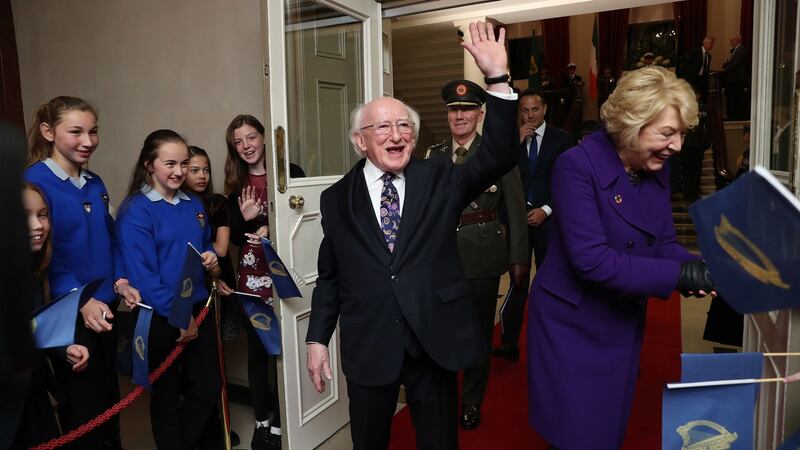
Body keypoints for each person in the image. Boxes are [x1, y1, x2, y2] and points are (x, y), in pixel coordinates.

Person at [305, 21, 518, 450]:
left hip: (432, 342)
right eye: (382, 128)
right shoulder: (335, 200)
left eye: (404, 126)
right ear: (360, 141)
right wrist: (316, 338)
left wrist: (496, 78)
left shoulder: (439, 177)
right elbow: (331, 275)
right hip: (369, 345)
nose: (396, 135)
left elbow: (497, 154)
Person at [527, 66, 716, 450]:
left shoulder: (655, 166)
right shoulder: (576, 165)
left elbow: (661, 241)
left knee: (608, 426)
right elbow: (592, 260)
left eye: (681, 134)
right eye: (667, 133)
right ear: (631, 126)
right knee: (577, 431)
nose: (677, 145)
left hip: (620, 319)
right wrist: (680, 276)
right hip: (571, 324)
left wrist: (700, 266)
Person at [24, 96, 140, 449]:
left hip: (104, 307)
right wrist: (82, 300)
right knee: (84, 411)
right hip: (70, 312)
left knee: (109, 402)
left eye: (93, 131)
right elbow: (46, 257)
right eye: (76, 131)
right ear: (48, 131)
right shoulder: (34, 182)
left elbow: (111, 237)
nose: (87, 141)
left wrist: (120, 281)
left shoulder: (95, 182)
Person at [424, 79, 528, 429]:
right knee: (443, 331)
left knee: (477, 333)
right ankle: (443, 396)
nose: (460, 116)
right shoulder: (433, 154)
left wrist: (519, 259)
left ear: (480, 114)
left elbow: (514, 209)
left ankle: (471, 400)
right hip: (440, 256)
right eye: (454, 110)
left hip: (482, 255)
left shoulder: (497, 151)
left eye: (467, 110)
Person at [116, 129, 221, 449]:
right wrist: (179, 318)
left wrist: (211, 257)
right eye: (170, 163)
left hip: (197, 309)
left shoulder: (194, 204)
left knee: (206, 386)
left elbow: (206, 246)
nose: (178, 172)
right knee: (166, 396)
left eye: (184, 164)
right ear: (149, 165)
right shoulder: (136, 209)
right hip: (161, 316)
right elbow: (144, 276)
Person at [494, 88, 575, 362]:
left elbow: (572, 183)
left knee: (550, 283)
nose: (530, 115)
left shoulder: (562, 140)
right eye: (525, 110)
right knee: (517, 283)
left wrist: (547, 209)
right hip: (517, 224)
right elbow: (497, 173)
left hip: (549, 223)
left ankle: (550, 343)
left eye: (535, 109)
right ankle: (509, 343)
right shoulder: (510, 140)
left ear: (545, 110)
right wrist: (515, 143)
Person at [13, 183, 90, 448]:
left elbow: (36, 326)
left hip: (33, 398)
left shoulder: (32, 271)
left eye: (42, 215)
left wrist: (65, 348)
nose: (37, 226)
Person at [224, 114, 282, 450]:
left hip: (283, 274)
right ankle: (262, 421)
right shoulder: (236, 183)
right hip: (251, 275)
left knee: (283, 349)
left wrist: (270, 226)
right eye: (238, 141)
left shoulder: (289, 173)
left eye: (251, 137)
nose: (246, 146)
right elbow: (232, 239)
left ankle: (283, 421)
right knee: (259, 351)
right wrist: (245, 219)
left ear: (265, 137)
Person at [182, 145, 241, 447]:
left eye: (206, 169)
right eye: (194, 169)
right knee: (191, 370)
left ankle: (217, 427)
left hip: (216, 282)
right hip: (188, 289)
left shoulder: (216, 203)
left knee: (213, 362)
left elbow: (218, 249)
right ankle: (202, 429)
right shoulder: (177, 203)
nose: (202, 175)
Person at [722, 35, 751, 120]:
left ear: (738, 40)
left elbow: (736, 63)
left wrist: (725, 69)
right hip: (732, 80)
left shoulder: (742, 49)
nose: (731, 42)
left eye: (733, 40)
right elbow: (730, 62)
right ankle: (732, 117)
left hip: (737, 80)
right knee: (732, 99)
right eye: (730, 41)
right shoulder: (734, 50)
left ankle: (736, 118)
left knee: (737, 100)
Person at [682, 36, 715, 104]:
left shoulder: (709, 56)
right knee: (693, 99)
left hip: (703, 81)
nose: (713, 45)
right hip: (693, 80)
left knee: (703, 100)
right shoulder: (695, 52)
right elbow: (686, 65)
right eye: (711, 43)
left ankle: (702, 113)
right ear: (705, 43)